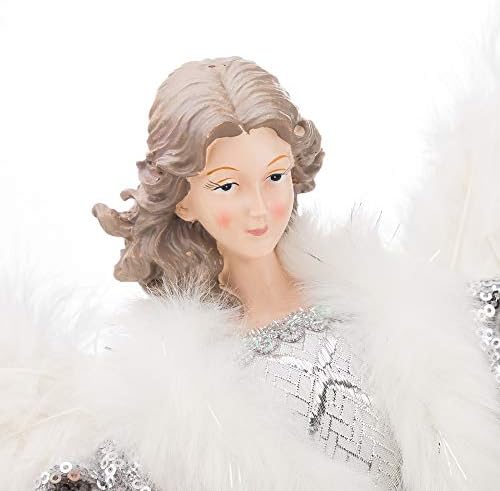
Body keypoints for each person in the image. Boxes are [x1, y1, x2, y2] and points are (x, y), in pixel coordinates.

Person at [2, 55, 500, 491]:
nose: (259, 207)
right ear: (184, 201)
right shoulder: (179, 400)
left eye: (274, 176)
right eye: (227, 186)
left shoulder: (391, 308)